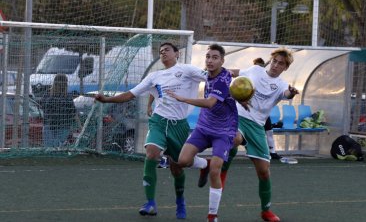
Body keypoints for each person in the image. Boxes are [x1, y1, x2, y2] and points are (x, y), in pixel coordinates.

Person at [95, 42, 207, 219]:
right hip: (159, 122)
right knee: (152, 154)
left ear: (177, 53)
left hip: (179, 126)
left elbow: (212, 77)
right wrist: (107, 100)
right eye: (161, 51)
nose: (163, 53)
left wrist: (229, 78)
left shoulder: (188, 70)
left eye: (167, 50)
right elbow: (131, 94)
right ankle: (150, 203)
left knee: (178, 167)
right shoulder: (154, 76)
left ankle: (181, 199)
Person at [224, 48, 299, 222]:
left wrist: (292, 92)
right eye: (274, 61)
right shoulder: (255, 71)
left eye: (281, 63)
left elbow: (286, 94)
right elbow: (236, 73)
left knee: (264, 172)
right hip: (240, 117)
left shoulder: (281, 84)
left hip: (257, 127)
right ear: (270, 61)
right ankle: (223, 164)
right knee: (234, 139)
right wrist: (224, 71)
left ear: (285, 68)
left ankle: (266, 211)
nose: (276, 65)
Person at [167, 44, 238, 222]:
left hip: (223, 131)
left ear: (222, 60)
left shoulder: (222, 80)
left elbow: (210, 103)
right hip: (204, 127)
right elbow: (235, 72)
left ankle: (212, 215)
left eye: (215, 57)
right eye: (208, 57)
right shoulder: (209, 74)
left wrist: (182, 98)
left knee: (216, 170)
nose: (210, 60)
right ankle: (203, 164)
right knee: (182, 161)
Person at [40, 74, 82, 147]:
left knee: (54, 147)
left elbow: (73, 112)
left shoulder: (66, 97)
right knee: (52, 147)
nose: (60, 86)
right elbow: (42, 107)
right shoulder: (48, 94)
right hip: (51, 125)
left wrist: (80, 127)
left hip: (61, 126)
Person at [253, 58, 282, 160]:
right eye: (258, 66)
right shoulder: (253, 76)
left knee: (269, 131)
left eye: (261, 66)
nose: (260, 68)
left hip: (264, 114)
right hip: (251, 114)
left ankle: (272, 152)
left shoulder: (267, 77)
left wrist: (271, 59)